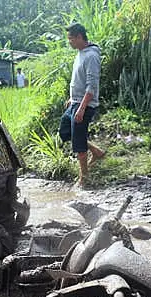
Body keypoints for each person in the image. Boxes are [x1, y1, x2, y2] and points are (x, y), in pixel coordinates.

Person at [59, 23, 105, 188]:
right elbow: (79, 79)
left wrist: (82, 107)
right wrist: (72, 99)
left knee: (78, 141)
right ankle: (97, 152)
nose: (69, 42)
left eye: (71, 39)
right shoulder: (80, 53)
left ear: (79, 37)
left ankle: (84, 178)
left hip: (85, 104)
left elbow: (91, 86)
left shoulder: (91, 56)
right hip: (76, 101)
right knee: (65, 131)